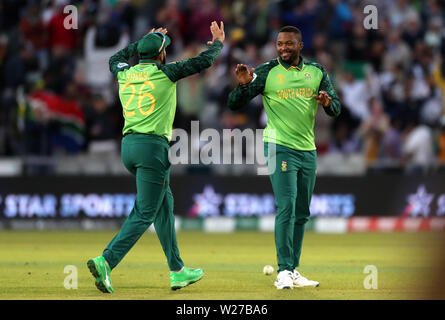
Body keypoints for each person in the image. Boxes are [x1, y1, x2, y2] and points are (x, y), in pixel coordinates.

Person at [87, 22, 225, 293]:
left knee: (164, 205)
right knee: (145, 212)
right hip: (152, 148)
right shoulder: (167, 73)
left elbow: (115, 58)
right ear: (162, 54)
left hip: (128, 146)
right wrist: (218, 43)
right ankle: (107, 260)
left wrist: (142, 42)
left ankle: (177, 271)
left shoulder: (124, 73)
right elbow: (203, 61)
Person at [227, 26, 341, 289]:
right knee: (287, 206)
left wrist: (327, 103)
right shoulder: (267, 71)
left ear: (300, 46)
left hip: (307, 149)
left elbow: (335, 107)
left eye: (289, 44)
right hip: (278, 146)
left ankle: (293, 269)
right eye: (279, 44)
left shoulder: (317, 71)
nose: (283, 48)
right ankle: (283, 271)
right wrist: (244, 86)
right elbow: (234, 103)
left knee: (302, 212)